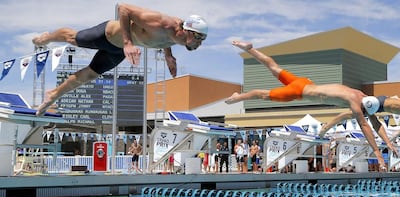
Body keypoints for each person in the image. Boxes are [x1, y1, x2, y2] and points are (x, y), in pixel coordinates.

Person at [225, 40, 391, 171]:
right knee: (263, 94)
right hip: (299, 91)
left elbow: (374, 122)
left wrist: (388, 144)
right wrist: (378, 153)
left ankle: (249, 49)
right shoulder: (355, 103)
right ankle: (238, 97)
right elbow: (366, 126)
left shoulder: (359, 94)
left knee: (273, 66)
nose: (363, 113)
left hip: (305, 82)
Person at [32, 3, 208, 116]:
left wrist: (168, 56)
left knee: (91, 74)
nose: (199, 44)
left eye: (202, 40)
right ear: (187, 30)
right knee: (72, 38)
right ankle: (46, 38)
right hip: (108, 35)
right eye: (198, 38)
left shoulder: (178, 38)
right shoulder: (162, 23)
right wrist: (127, 42)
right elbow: (123, 8)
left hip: (117, 52)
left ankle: (53, 95)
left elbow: (166, 40)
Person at [319, 96, 400, 158]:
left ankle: (326, 127)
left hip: (380, 102)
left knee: (349, 115)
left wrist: (389, 142)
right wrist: (389, 142)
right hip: (376, 103)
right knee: (349, 115)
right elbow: (376, 125)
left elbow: (377, 125)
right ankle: (325, 127)